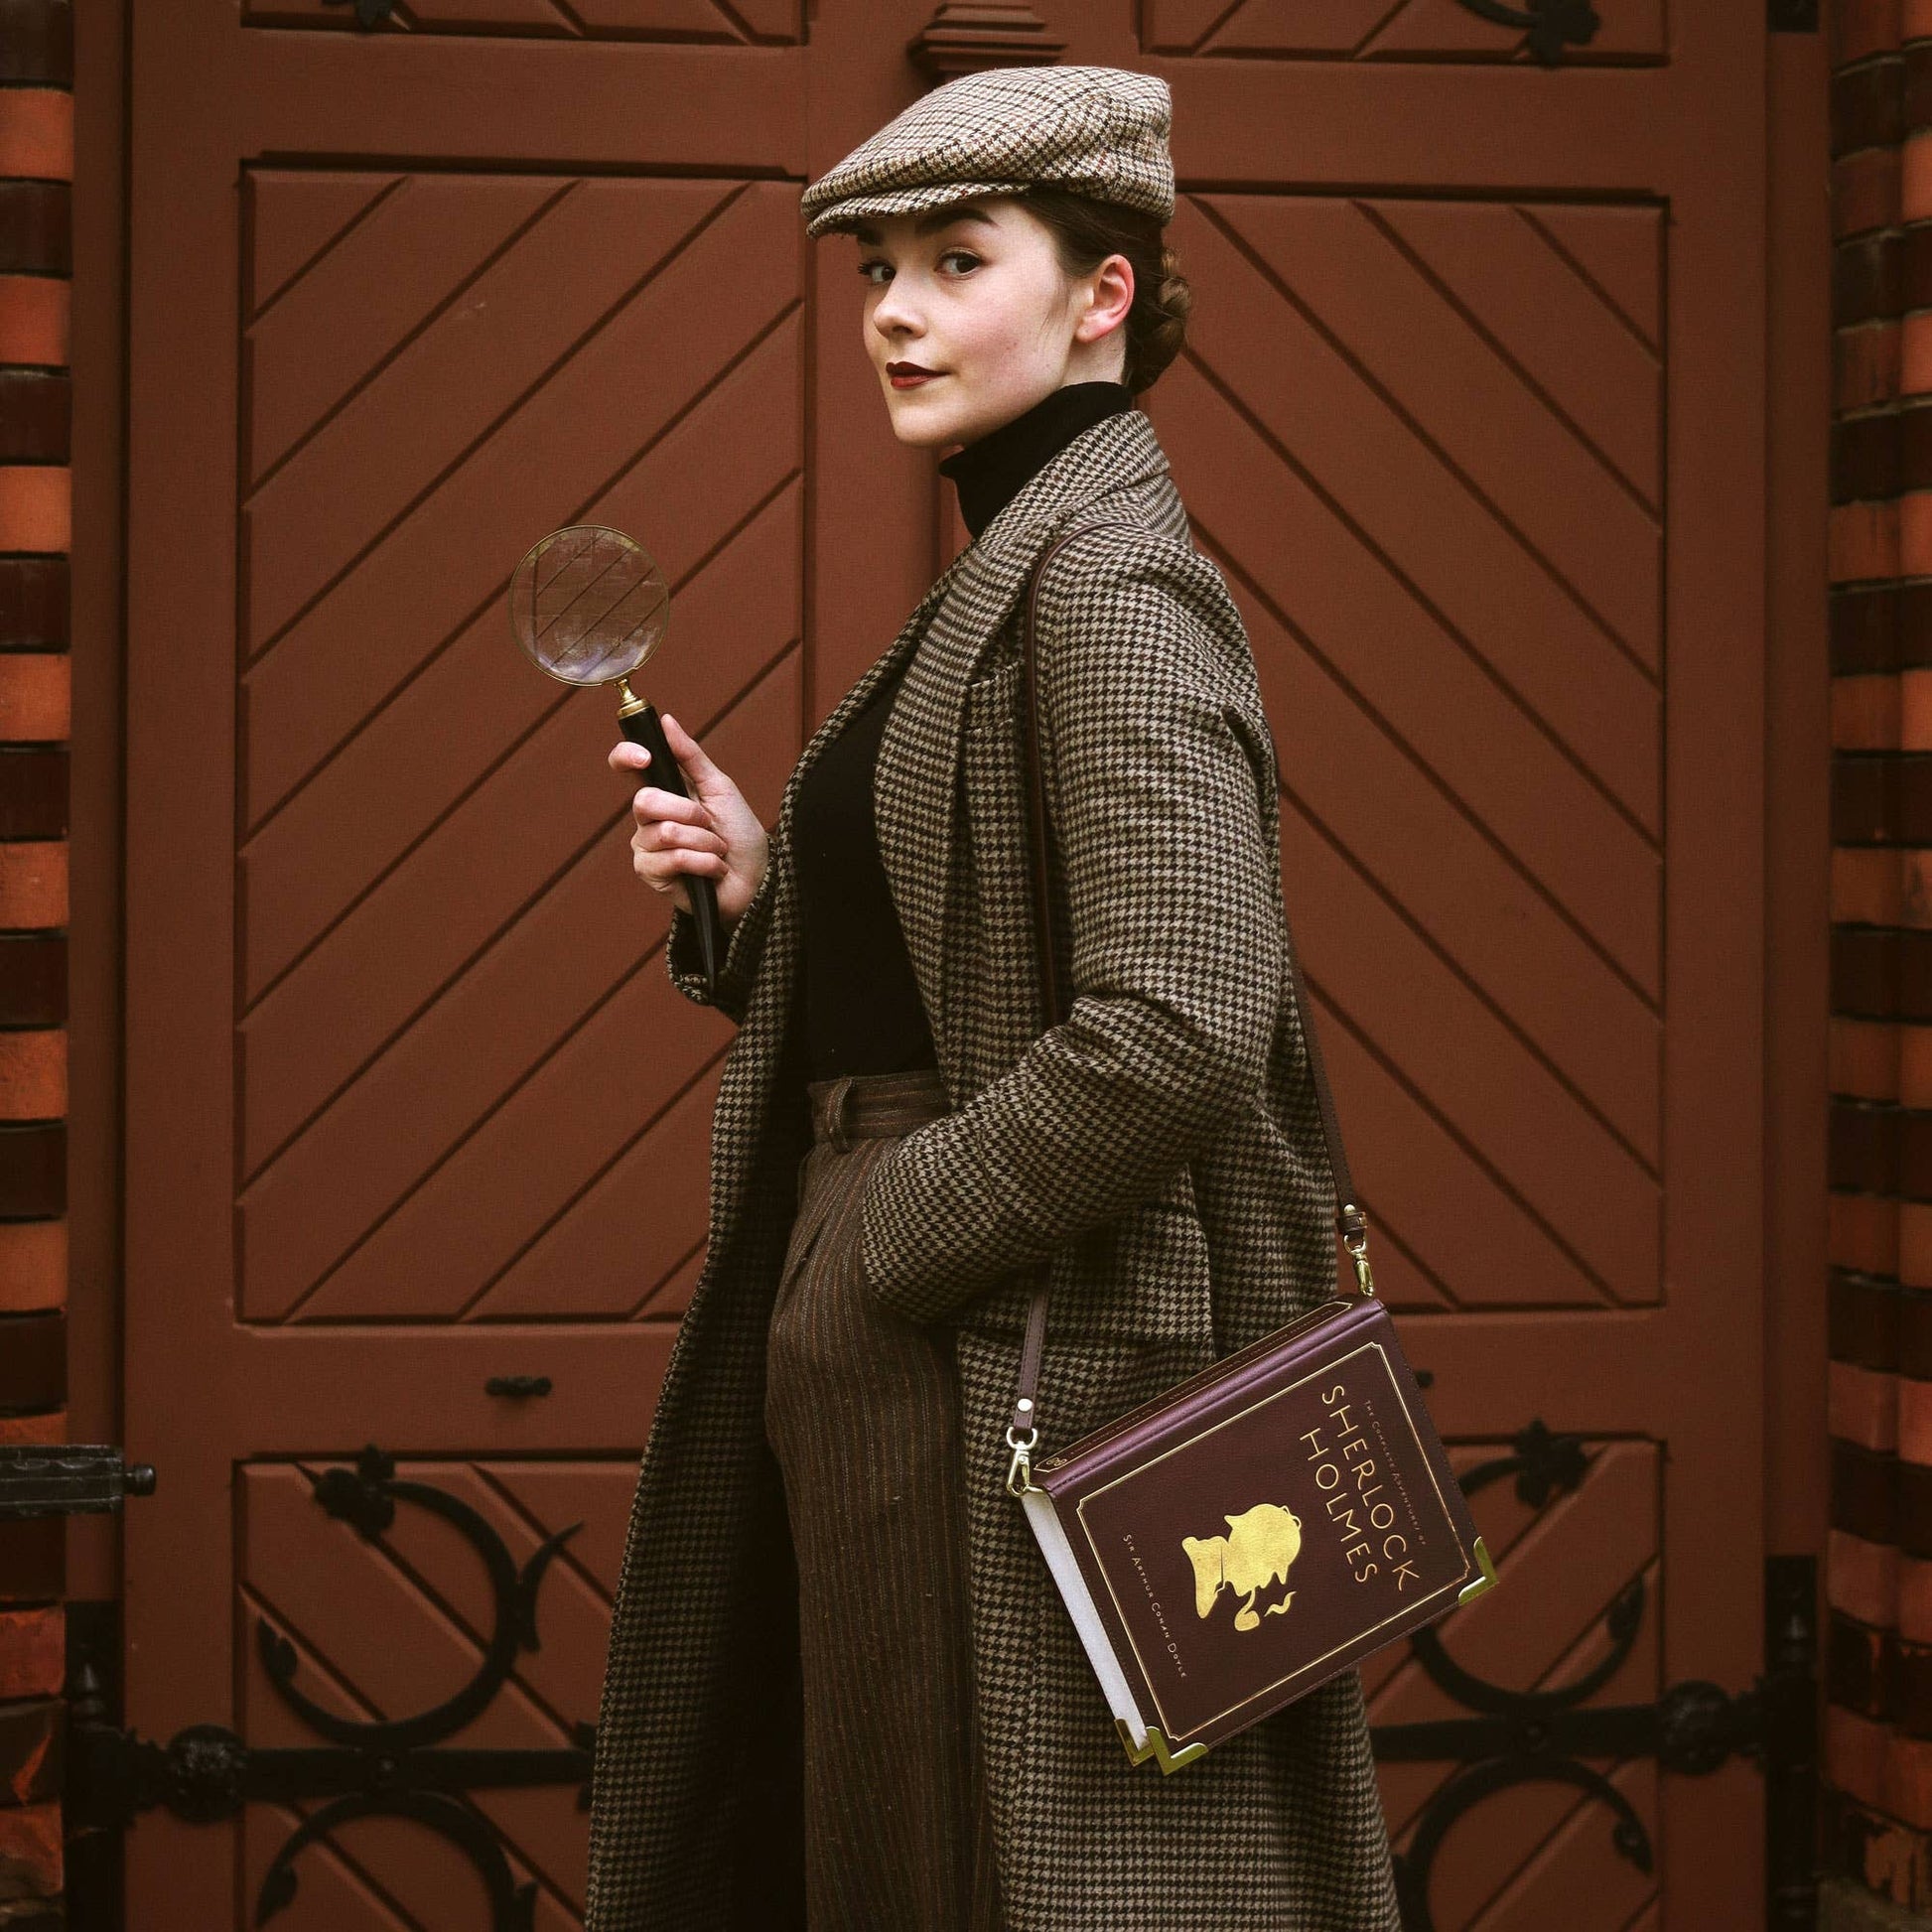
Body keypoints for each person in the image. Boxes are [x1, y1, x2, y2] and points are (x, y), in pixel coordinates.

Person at [582, 63, 1403, 1932]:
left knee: (971, 1869)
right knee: (901, 1853)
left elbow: (1181, 1016)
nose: (894, 310)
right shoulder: (1014, 564)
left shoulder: (1102, 586)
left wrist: (889, 1233)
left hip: (1007, 1349)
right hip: (949, 1341)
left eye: (958, 261)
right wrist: (767, 900)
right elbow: (971, 978)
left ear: (1102, 293)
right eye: (877, 269)